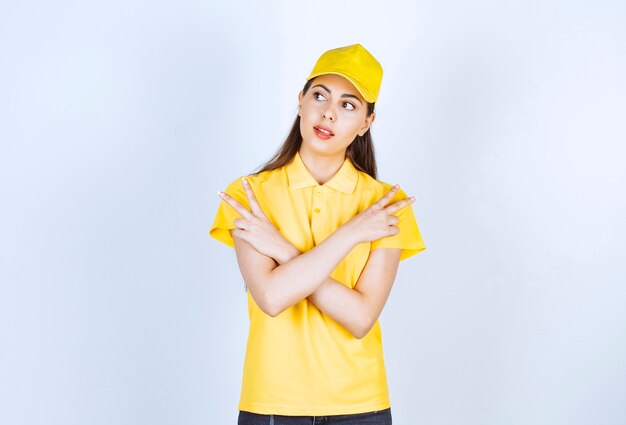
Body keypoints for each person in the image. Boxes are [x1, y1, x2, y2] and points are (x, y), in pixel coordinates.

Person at [209, 43, 426, 425]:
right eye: (319, 96)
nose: (328, 113)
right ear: (300, 102)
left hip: (361, 405)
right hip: (273, 401)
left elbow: (360, 318)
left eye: (348, 105)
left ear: (365, 124)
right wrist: (354, 232)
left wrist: (282, 252)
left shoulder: (386, 205)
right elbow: (273, 296)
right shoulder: (248, 195)